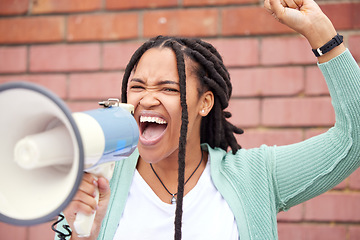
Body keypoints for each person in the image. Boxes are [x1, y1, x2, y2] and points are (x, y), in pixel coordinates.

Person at [55, 0, 360, 239]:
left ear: (205, 103)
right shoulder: (99, 180)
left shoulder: (256, 178)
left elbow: (353, 139)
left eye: (168, 88)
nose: (146, 99)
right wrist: (83, 238)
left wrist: (320, 31)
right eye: (137, 86)